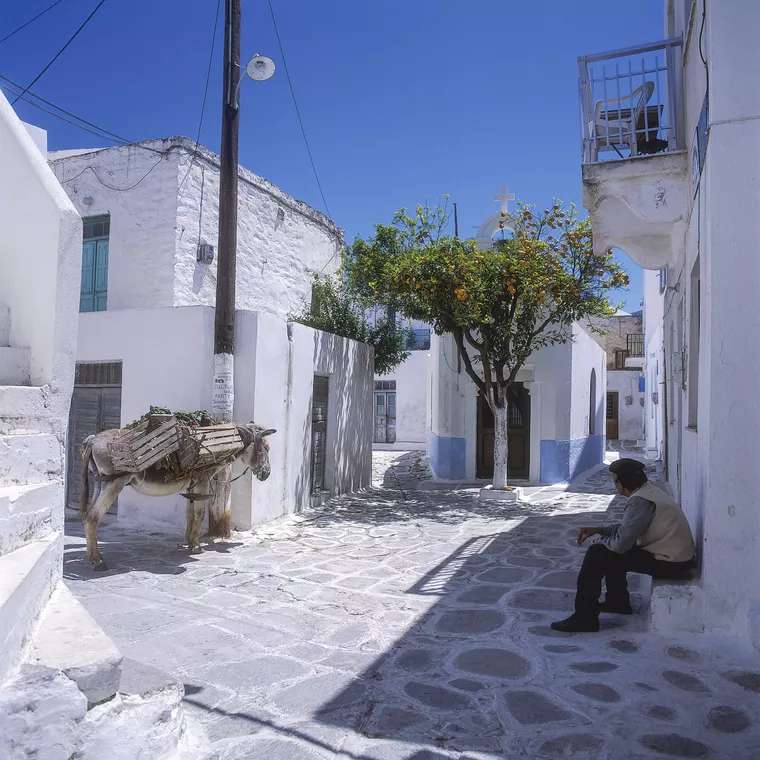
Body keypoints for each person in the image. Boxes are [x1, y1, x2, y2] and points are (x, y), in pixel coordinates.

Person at [550, 458, 696, 633]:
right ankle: (617, 602)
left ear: (622, 482)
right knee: (610, 552)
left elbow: (620, 545)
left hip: (672, 563)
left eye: (615, 480)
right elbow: (629, 529)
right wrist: (600, 530)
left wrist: (600, 542)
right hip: (676, 558)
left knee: (598, 554)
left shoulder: (640, 501)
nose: (614, 484)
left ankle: (584, 618)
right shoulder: (648, 492)